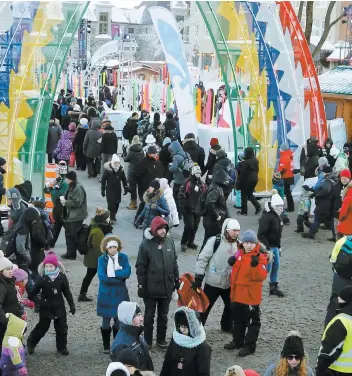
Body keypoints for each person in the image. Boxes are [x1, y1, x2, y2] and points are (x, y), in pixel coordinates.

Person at [136, 216, 179, 349]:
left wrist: (176, 281)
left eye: (164, 228)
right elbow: (141, 267)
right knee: (149, 315)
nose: (163, 231)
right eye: (160, 229)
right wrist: (141, 285)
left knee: (164, 315)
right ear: (154, 229)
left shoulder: (170, 242)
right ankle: (148, 341)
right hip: (151, 288)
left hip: (167, 286)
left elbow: (174, 262)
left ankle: (161, 339)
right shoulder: (145, 244)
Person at [225, 230, 269, 356]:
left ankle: (249, 346)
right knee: (238, 319)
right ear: (243, 243)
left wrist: (255, 266)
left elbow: (261, 277)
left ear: (256, 244)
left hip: (251, 297)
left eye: (252, 243)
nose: (249, 245)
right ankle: (237, 341)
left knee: (252, 322)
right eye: (247, 242)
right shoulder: (239, 254)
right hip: (238, 294)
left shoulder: (260, 257)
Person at [195, 218, 240, 331]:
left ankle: (226, 326)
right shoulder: (215, 241)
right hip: (213, 282)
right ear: (227, 230)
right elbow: (202, 259)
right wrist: (199, 277)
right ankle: (197, 329)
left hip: (229, 283)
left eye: (238, 230)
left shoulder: (239, 244)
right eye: (234, 230)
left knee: (231, 307)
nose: (236, 233)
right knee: (204, 308)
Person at [27, 252, 75, 356]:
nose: (48, 268)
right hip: (46, 307)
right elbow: (32, 294)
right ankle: (31, 344)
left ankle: (62, 347)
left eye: (51, 266)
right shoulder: (42, 278)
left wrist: (72, 305)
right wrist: (39, 302)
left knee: (62, 328)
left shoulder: (61, 277)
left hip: (59, 306)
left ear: (55, 266)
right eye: (47, 266)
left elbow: (67, 292)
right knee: (42, 328)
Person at [98, 234, 131, 354]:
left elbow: (128, 272)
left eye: (114, 247)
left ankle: (116, 343)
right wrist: (119, 277)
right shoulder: (101, 259)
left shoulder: (124, 257)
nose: (112, 249)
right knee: (105, 321)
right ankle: (106, 345)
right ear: (106, 247)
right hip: (106, 294)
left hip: (120, 294)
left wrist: (113, 274)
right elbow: (102, 277)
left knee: (119, 321)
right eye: (110, 247)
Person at [160, 307, 211, 376]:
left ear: (193, 326)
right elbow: (168, 361)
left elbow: (204, 373)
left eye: (186, 327)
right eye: (181, 326)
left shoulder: (203, 347)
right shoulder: (176, 338)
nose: (182, 330)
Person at [78, 207, 112, 302]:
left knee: (89, 276)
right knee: (104, 277)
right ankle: (106, 295)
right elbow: (98, 248)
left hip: (92, 258)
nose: (109, 218)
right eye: (108, 217)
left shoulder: (97, 226)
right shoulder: (98, 231)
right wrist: (104, 260)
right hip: (95, 259)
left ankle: (82, 294)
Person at [317, 286, 352, 376]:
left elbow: (330, 347)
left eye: (340, 298)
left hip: (337, 370)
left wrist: (321, 368)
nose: (337, 299)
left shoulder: (342, 321)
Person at [111, 301, 154, 371]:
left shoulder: (137, 332)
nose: (142, 318)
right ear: (128, 317)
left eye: (141, 314)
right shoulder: (121, 345)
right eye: (138, 315)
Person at [257, 190, 284, 297]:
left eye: (282, 205)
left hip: (275, 246)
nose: (281, 207)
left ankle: (273, 286)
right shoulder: (266, 217)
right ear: (273, 206)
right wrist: (266, 249)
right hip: (268, 248)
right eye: (278, 205)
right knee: (266, 268)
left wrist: (279, 246)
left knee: (276, 266)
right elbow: (261, 235)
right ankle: (256, 284)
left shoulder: (278, 215)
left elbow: (278, 234)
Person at [324, 236, 352, 326]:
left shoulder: (343, 240)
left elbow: (333, 260)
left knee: (335, 304)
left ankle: (328, 330)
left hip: (339, 278)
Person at [61, 170, 88, 260]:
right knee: (69, 234)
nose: (66, 180)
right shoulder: (72, 186)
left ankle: (78, 252)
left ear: (71, 179)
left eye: (67, 179)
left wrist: (66, 202)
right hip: (71, 215)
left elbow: (77, 202)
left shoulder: (77, 188)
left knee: (73, 235)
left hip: (76, 215)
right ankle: (70, 253)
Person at [14, 207, 47, 282]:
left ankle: (35, 287)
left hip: (29, 254)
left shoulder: (21, 224)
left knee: (32, 274)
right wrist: (28, 258)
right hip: (28, 255)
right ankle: (36, 288)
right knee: (34, 272)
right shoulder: (23, 229)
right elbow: (20, 247)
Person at [132, 147, 164, 222]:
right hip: (144, 187)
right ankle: (138, 220)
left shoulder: (159, 163)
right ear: (148, 153)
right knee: (144, 202)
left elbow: (162, 174)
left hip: (156, 188)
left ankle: (154, 220)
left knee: (155, 203)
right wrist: (133, 185)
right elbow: (135, 175)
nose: (154, 155)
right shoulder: (142, 162)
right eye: (152, 153)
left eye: (155, 153)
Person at [178, 165, 205, 251]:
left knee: (195, 226)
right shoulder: (187, 182)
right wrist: (184, 205)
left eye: (199, 173)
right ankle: (183, 242)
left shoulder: (202, 183)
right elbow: (181, 195)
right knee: (189, 226)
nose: (198, 174)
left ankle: (190, 242)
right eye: (196, 172)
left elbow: (205, 194)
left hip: (197, 209)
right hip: (188, 209)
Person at [302, 171, 336, 239]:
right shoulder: (334, 183)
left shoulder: (327, 182)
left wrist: (317, 195)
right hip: (329, 205)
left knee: (317, 219)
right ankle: (335, 236)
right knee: (331, 221)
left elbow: (326, 190)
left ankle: (311, 233)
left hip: (323, 204)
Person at [0, 252, 23, 346]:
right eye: (7, 269)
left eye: (11, 269)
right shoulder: (1, 286)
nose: (10, 271)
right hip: (5, 322)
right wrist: (5, 321)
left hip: (13, 318)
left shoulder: (9, 281)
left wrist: (20, 310)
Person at [44, 161, 69, 247]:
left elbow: (58, 194)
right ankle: (51, 242)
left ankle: (72, 246)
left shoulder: (63, 183)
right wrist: (50, 189)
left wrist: (51, 190)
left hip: (61, 208)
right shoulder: (59, 181)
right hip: (59, 208)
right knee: (57, 227)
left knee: (62, 227)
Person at [101, 154, 128, 224]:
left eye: (118, 163)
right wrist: (102, 189)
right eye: (115, 163)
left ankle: (113, 215)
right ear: (112, 163)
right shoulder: (108, 170)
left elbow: (124, 179)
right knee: (111, 204)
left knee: (117, 203)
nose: (116, 164)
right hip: (110, 189)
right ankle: (111, 218)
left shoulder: (121, 170)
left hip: (118, 190)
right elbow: (103, 180)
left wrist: (125, 187)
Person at [203, 169, 229, 241]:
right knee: (209, 242)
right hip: (213, 221)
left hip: (213, 220)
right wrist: (217, 216)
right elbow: (209, 204)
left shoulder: (216, 187)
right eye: (225, 179)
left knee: (210, 241)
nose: (226, 181)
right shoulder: (216, 189)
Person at [236, 147, 261, 216]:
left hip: (246, 181)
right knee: (249, 194)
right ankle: (258, 207)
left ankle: (244, 212)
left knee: (243, 195)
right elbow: (257, 170)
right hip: (254, 179)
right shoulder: (255, 160)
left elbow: (242, 174)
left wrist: (238, 184)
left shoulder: (245, 163)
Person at [169, 141, 189, 216]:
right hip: (186, 179)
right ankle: (185, 211)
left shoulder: (176, 157)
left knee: (176, 197)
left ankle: (178, 213)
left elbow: (173, 168)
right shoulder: (186, 154)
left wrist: (169, 167)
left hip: (178, 179)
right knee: (184, 196)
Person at [329, 169, 351, 241]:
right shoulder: (336, 187)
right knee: (337, 233)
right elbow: (331, 200)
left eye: (345, 178)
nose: (343, 180)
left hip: (346, 215)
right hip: (337, 214)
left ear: (349, 178)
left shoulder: (350, 188)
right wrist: (331, 211)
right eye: (342, 178)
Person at [124, 135, 144, 210]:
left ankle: (133, 204)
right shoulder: (142, 150)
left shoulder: (131, 150)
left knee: (132, 188)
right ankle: (143, 202)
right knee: (141, 188)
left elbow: (126, 159)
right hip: (141, 171)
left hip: (132, 171)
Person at [278, 143, 294, 212]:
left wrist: (279, 175)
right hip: (290, 175)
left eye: (280, 148)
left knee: (287, 192)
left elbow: (283, 168)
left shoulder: (284, 156)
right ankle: (291, 206)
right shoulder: (289, 155)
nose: (279, 149)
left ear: (283, 149)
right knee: (288, 192)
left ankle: (290, 207)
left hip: (286, 176)